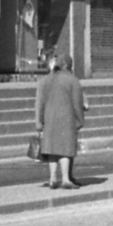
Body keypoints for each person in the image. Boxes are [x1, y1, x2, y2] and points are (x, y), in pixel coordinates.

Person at [35, 49, 87, 189]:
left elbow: (39, 102)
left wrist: (39, 122)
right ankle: (65, 179)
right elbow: (77, 103)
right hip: (66, 118)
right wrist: (80, 120)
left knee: (52, 149)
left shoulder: (45, 80)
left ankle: (52, 179)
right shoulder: (72, 80)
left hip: (49, 118)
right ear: (68, 65)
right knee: (65, 148)